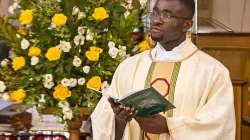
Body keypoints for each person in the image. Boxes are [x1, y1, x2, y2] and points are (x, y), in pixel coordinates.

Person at [91, 0, 236, 139]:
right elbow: (102, 121)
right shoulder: (129, 67)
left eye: (166, 15)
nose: (156, 20)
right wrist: (120, 120)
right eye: (154, 13)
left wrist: (169, 127)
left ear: (186, 25)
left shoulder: (213, 72)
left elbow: (218, 127)